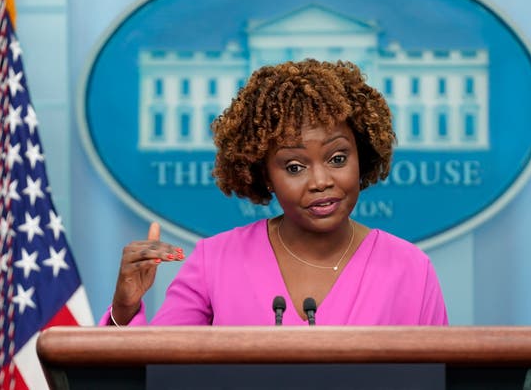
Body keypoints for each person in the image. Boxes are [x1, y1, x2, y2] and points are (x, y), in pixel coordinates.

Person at [101, 59, 448, 327]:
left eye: (338, 158)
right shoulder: (214, 261)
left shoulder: (411, 269)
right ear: (263, 174)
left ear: (363, 155)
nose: (320, 181)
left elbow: (439, 377)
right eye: (294, 167)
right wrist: (124, 310)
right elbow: (156, 372)